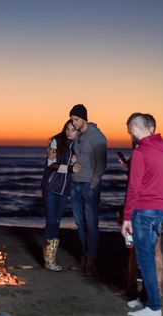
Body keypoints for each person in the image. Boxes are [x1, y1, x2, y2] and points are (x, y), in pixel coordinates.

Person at [121, 113, 163, 316]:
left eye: (129, 132)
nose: (130, 135)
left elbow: (134, 188)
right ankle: (147, 300)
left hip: (143, 211)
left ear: (134, 129)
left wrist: (126, 218)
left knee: (145, 261)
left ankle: (154, 308)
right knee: (149, 257)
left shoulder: (140, 153)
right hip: (159, 210)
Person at [68, 104, 107, 276]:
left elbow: (102, 161)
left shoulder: (97, 136)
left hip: (89, 186)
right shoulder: (79, 137)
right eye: (72, 120)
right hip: (75, 184)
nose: (73, 123)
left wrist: (94, 182)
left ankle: (91, 259)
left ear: (84, 118)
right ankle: (84, 255)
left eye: (76, 119)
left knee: (91, 224)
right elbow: (77, 156)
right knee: (80, 223)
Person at [40, 120, 81, 271]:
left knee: (57, 221)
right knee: (51, 220)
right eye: (67, 129)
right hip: (50, 186)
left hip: (64, 189)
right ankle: (48, 261)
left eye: (73, 130)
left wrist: (77, 159)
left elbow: (79, 165)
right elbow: (51, 164)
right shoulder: (55, 142)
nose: (69, 132)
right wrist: (70, 168)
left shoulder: (76, 145)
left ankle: (50, 258)